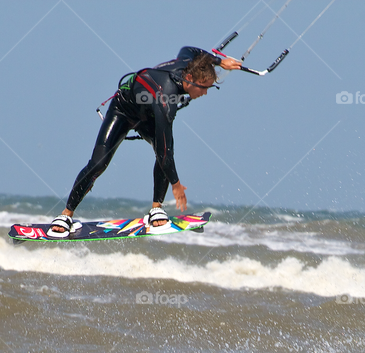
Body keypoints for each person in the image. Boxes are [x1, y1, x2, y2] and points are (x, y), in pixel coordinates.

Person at [47, 47, 242, 238]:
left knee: (164, 150)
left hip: (147, 117)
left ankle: (156, 209)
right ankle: (66, 215)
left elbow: (190, 49)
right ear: (189, 79)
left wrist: (219, 61)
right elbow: (165, 153)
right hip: (122, 110)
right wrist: (175, 184)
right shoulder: (167, 101)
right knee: (98, 164)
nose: (205, 93)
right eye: (204, 87)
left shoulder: (187, 63)